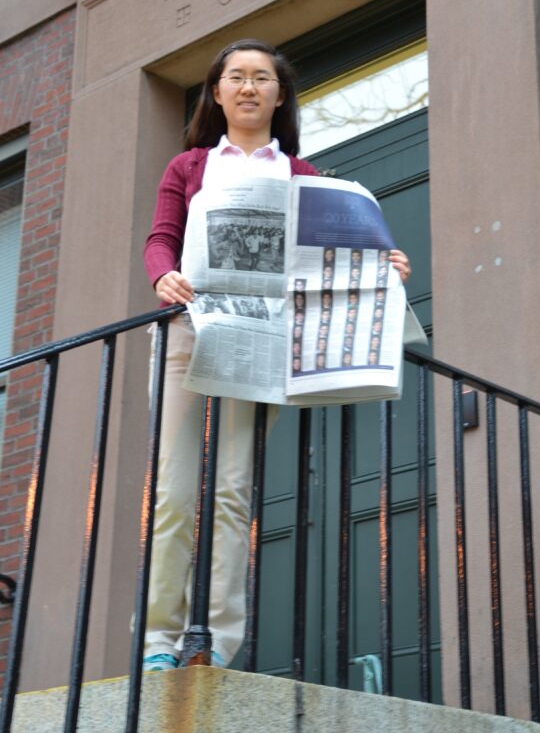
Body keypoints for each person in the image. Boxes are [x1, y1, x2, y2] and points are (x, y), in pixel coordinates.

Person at [142, 37, 411, 673]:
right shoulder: (188, 167)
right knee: (175, 496)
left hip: (264, 340)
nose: (248, 87)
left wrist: (386, 265)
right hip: (191, 332)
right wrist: (162, 278)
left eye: (262, 78)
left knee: (233, 491)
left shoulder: (304, 176)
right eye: (235, 77)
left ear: (279, 94)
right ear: (216, 91)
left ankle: (215, 647)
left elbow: (330, 259)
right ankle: (157, 643)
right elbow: (162, 240)